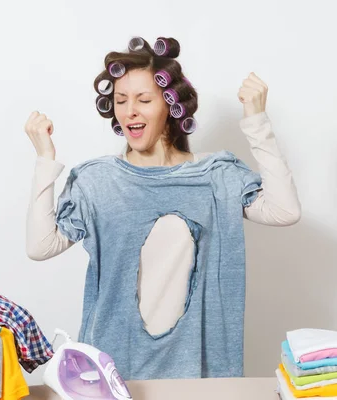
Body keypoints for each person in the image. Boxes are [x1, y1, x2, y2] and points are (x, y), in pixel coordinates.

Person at [24, 36, 301, 381]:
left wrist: (257, 122)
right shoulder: (100, 181)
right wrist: (45, 161)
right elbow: (40, 247)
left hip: (198, 379)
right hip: (114, 377)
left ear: (171, 105)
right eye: (121, 100)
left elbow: (284, 211)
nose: (129, 111)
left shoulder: (214, 175)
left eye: (143, 99)